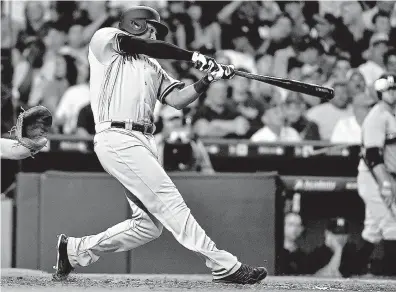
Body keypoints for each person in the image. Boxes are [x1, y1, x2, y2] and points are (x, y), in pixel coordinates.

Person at [53, 6, 267, 285]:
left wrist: (207, 79)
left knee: (147, 226)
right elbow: (138, 43)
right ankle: (222, 264)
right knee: (170, 200)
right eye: (152, 29)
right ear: (137, 24)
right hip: (117, 136)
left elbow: (177, 99)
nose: (155, 36)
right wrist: (193, 56)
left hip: (143, 140)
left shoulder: (153, 66)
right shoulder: (105, 40)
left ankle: (74, 251)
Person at [358, 73, 396, 276]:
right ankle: (392, 278)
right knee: (392, 225)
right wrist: (386, 184)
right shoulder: (377, 116)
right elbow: (373, 156)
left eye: (394, 89)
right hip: (373, 176)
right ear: (380, 93)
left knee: (372, 231)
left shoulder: (393, 114)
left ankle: (348, 270)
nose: (393, 93)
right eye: (389, 90)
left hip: (388, 174)